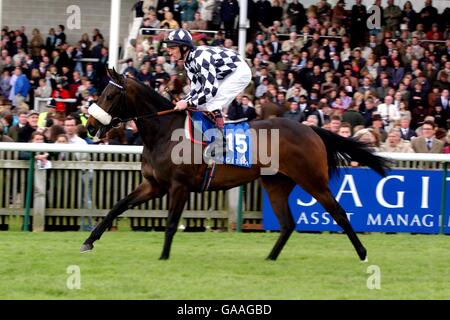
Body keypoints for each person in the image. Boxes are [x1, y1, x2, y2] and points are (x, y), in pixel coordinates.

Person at [165, 28, 252, 160]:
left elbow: (209, 91)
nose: (169, 51)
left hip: (239, 72)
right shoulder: (189, 62)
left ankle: (221, 144)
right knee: (199, 104)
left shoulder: (201, 58)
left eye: (172, 47)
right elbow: (196, 90)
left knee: (211, 102)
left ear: (183, 47)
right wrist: (183, 101)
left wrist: (187, 102)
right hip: (224, 73)